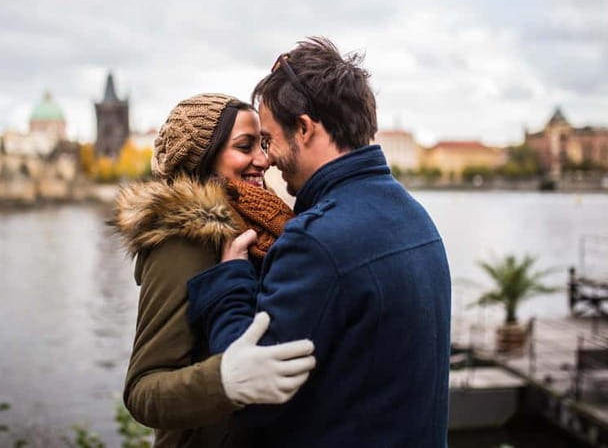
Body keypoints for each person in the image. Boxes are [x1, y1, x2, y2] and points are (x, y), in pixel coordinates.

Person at [187, 38, 452, 447]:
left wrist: (230, 279)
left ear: (306, 129)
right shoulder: (415, 217)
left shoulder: (317, 241)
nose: (267, 158)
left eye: (270, 140)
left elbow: (250, 392)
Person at [112, 94, 316, 448]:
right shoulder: (183, 241)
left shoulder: (262, 225)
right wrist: (224, 381)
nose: (263, 160)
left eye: (263, 144)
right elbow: (143, 390)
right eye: (245, 146)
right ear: (202, 157)